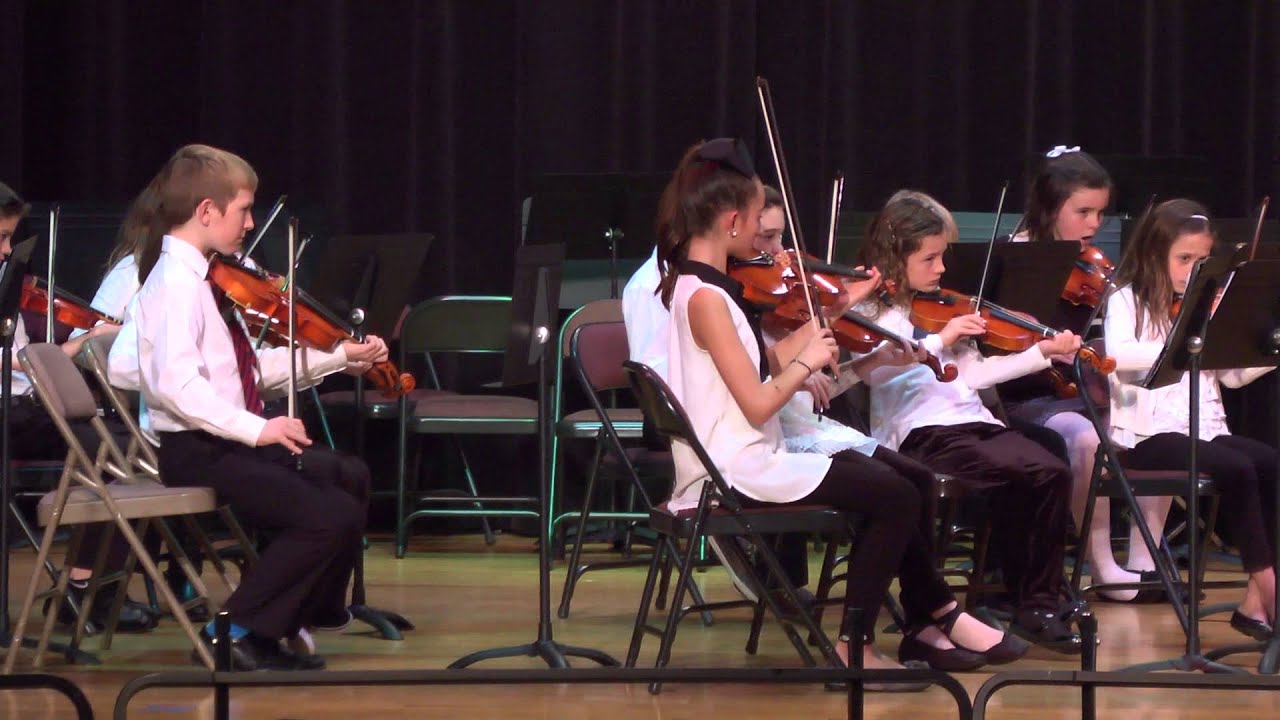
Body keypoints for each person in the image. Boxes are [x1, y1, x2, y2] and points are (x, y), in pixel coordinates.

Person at [656, 138, 1024, 680]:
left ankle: (929, 621)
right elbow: (759, 400)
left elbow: (760, 359)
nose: (765, 236)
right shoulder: (707, 297)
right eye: (759, 218)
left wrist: (829, 315)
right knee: (895, 497)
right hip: (735, 464)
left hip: (751, 445)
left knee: (909, 480)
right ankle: (857, 645)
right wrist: (808, 365)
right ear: (733, 221)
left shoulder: (705, 286)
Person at [119, 144, 388, 670]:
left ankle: (295, 619)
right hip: (197, 449)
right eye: (243, 209)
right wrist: (256, 430)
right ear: (206, 211)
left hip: (222, 440)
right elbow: (175, 387)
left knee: (348, 475)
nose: (250, 222)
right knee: (327, 515)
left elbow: (246, 370)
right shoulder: (174, 285)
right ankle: (235, 630)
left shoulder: (211, 280)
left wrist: (336, 358)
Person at [852, 189, 1086, 652]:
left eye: (943, 257)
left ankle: (1035, 602)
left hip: (973, 423)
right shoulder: (868, 311)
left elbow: (976, 374)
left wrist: (1040, 352)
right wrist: (938, 340)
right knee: (1033, 471)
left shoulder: (945, 306)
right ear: (897, 256)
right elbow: (871, 374)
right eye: (930, 258)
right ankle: (1007, 602)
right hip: (919, 433)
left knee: (1051, 470)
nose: (941, 269)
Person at [1104, 199, 1277, 639]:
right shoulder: (1127, 299)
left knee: (1269, 463)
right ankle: (1269, 587)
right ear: (1153, 255)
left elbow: (1234, 378)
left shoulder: (1204, 306)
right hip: (1147, 434)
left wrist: (1268, 351)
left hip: (1206, 430)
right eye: (1184, 259)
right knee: (1237, 468)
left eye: (1203, 261)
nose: (1194, 270)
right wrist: (1189, 342)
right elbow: (1118, 355)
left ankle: (1253, 605)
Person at [1001, 147, 1167, 601]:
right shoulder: (1016, 260)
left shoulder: (1089, 264)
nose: (1094, 225)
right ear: (1050, 208)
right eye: (1083, 212)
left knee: (1163, 416)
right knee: (1087, 438)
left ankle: (1143, 559)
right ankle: (1100, 563)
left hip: (1085, 387)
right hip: (1031, 395)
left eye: (1100, 213)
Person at [0, 182, 158, 633]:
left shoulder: (8, 282)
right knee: (108, 448)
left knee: (126, 447)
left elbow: (28, 352)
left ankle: (92, 588)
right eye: (1, 238)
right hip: (9, 409)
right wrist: (72, 350)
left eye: (11, 238)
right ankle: (82, 589)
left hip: (25, 404)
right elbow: (15, 362)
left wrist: (91, 337)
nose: (7, 251)